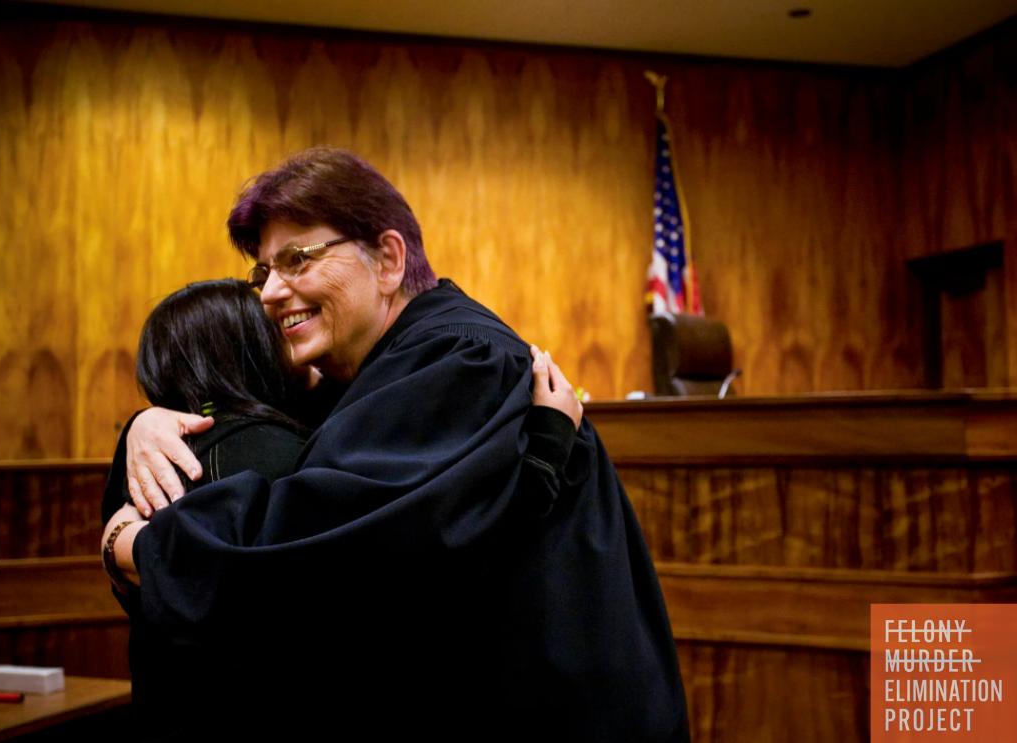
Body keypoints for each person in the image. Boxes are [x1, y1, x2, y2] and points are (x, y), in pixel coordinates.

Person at [108, 148, 689, 741]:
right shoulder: (384, 372)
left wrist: (132, 545)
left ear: (387, 260)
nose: (270, 292)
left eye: (297, 260)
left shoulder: (460, 364)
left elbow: (316, 552)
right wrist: (146, 422)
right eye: (264, 273)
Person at [101, 278, 583, 740]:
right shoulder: (283, 457)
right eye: (278, 332)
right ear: (252, 352)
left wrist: (137, 446)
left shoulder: (149, 461)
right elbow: (402, 577)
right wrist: (542, 456)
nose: (296, 341)